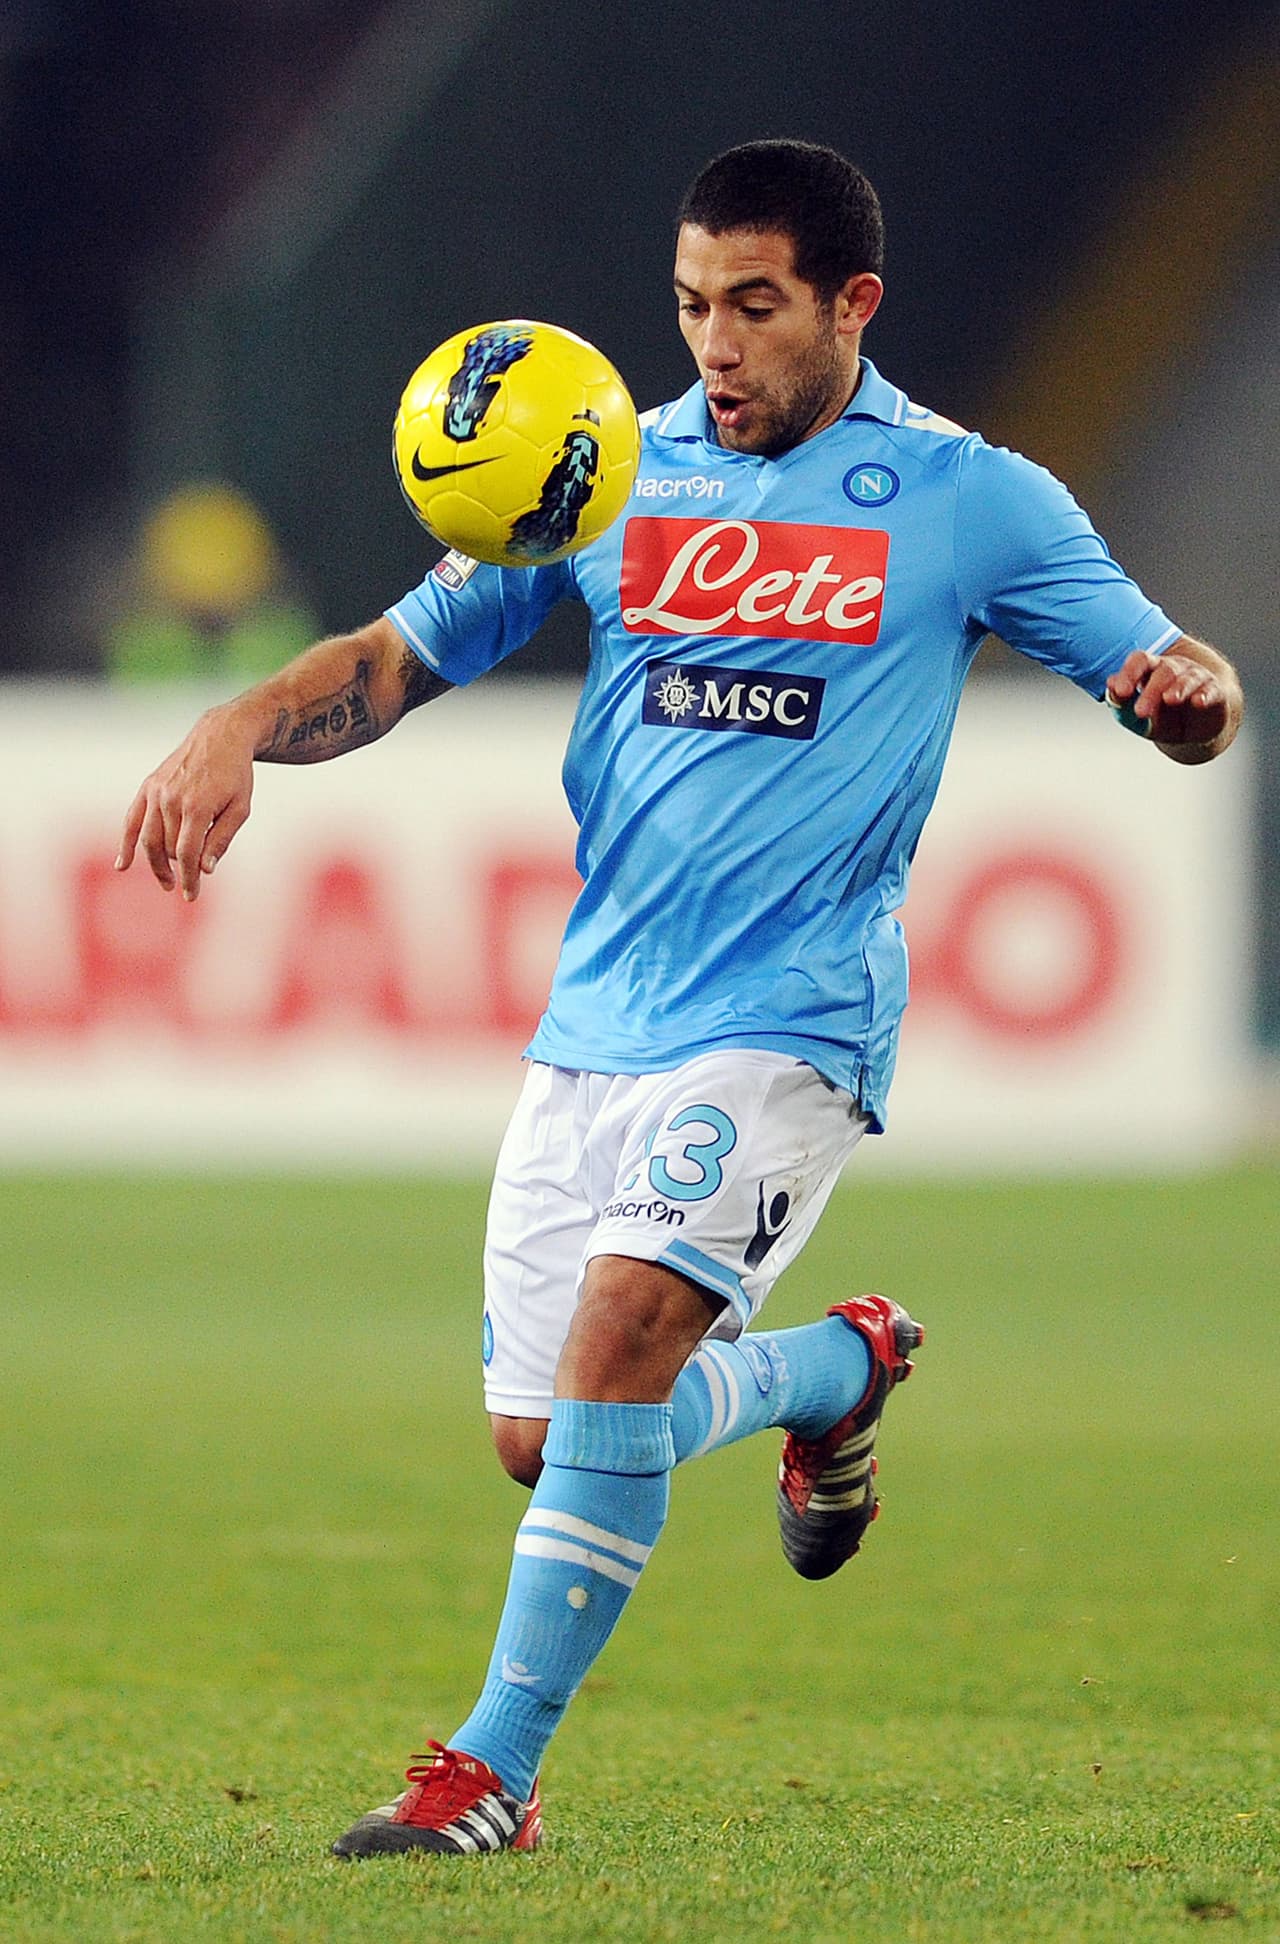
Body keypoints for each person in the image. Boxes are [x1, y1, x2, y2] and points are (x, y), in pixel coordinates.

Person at [117, 139, 1244, 1859]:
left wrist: (1181, 699)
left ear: (852, 304)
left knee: (624, 1340)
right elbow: (390, 664)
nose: (716, 344)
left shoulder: (970, 498)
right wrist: (234, 724)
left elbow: (1185, 681)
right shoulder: (606, 478)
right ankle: (833, 1375)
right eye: (692, 305)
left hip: (794, 1011)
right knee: (543, 1434)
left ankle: (491, 1769)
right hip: (602, 1016)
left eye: (756, 307)